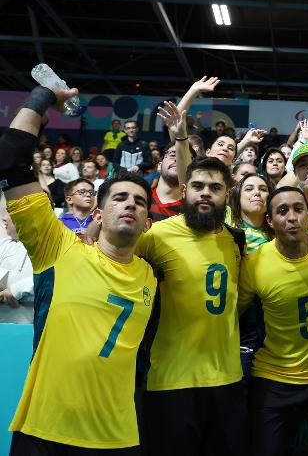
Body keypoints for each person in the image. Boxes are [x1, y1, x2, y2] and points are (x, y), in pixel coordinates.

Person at [2, 83, 155, 454]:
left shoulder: (152, 273)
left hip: (119, 437)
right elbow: (8, 157)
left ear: (148, 223)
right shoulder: (58, 248)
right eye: (119, 198)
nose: (130, 205)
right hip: (46, 430)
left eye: (139, 201)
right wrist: (42, 98)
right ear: (99, 215)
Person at [138, 107, 249, 455]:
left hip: (227, 379)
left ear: (226, 193)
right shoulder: (156, 236)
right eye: (198, 186)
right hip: (169, 379)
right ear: (185, 190)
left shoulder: (236, 240)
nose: (205, 193)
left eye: (215, 187)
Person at [238, 186, 308, 455]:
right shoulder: (254, 264)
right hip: (273, 374)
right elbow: (232, 316)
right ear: (270, 221)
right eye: (282, 211)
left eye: (299, 209)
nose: (292, 217)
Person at [0, 193, 34, 310]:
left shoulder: (54, 246)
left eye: (10, 212)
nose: (4, 218)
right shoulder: (5, 244)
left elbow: (57, 278)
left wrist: (17, 289)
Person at [228, 173, 273, 254]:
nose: (257, 192)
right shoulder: (227, 219)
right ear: (238, 196)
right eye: (249, 189)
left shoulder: (278, 232)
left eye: (263, 189)